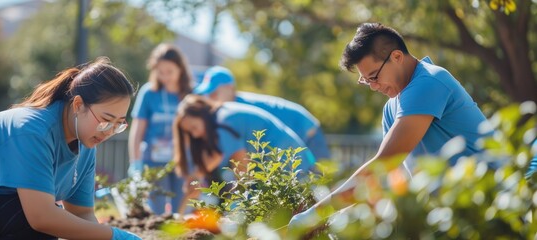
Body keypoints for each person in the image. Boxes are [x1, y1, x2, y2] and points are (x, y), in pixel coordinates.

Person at [289, 23, 493, 230]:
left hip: (490, 202)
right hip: (449, 214)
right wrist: (334, 220)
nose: (374, 87)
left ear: (396, 57)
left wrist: (316, 215)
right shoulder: (391, 109)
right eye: (366, 81)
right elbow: (382, 181)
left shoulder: (430, 81)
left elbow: (382, 164)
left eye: (374, 76)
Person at [0, 57, 140, 239]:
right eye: (106, 120)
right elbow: (41, 217)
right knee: (40, 225)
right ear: (78, 105)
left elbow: (81, 214)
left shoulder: (86, 144)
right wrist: (114, 235)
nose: (109, 131)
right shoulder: (32, 130)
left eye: (119, 124)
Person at [173, 95, 316, 195]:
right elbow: (217, 156)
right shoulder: (222, 114)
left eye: (194, 127)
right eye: (190, 133)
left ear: (202, 114)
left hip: (293, 164)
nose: (195, 135)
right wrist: (196, 176)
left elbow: (243, 171)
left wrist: (239, 205)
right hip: (294, 160)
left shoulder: (224, 123)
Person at [193, 66, 332, 160]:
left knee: (322, 186)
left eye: (214, 93)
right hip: (297, 134)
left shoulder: (239, 109)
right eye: (208, 95)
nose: (211, 99)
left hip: (306, 131)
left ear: (230, 88)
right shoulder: (236, 107)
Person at [127, 43, 193, 214]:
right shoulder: (149, 93)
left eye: (170, 71)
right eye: (160, 72)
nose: (165, 77)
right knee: (156, 211)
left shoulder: (192, 93)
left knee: (181, 211)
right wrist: (136, 162)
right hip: (153, 160)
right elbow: (137, 131)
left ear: (181, 69)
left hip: (183, 161)